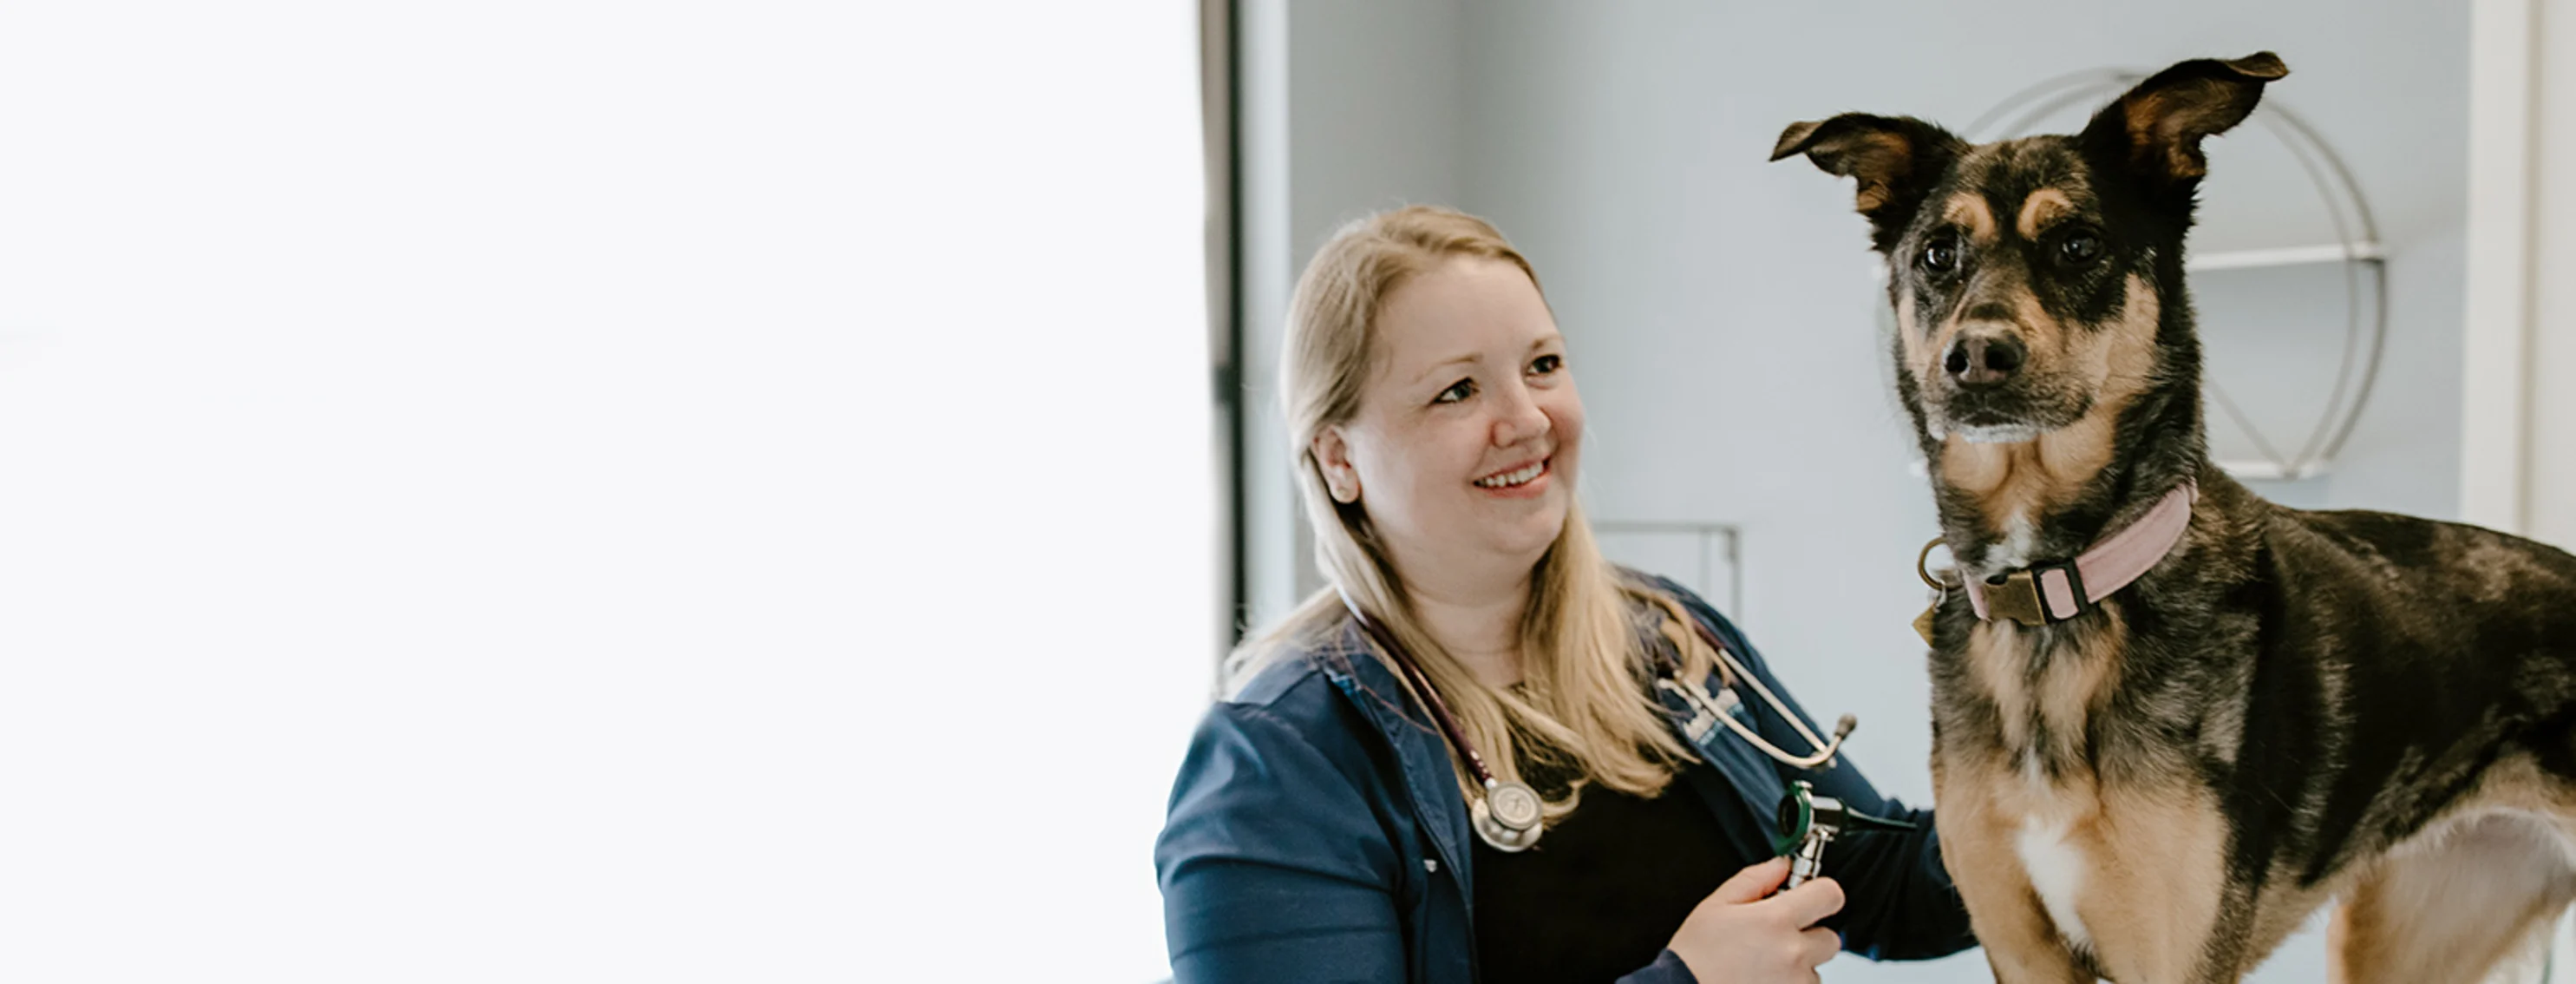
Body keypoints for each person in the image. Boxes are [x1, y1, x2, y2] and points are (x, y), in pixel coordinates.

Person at [1155, 206, 1973, 983]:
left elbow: (1892, 889)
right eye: (1457, 391)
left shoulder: (1672, 642)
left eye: (1542, 365)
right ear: (1338, 459)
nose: (1528, 419)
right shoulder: (1277, 767)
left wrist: (2081, 776)